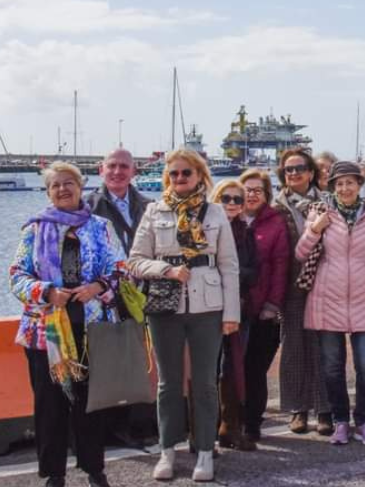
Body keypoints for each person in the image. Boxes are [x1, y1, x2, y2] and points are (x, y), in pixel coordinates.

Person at [129, 149, 240, 482]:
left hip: (208, 305)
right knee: (168, 383)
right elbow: (134, 260)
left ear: (199, 177)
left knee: (205, 383)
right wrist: (166, 269)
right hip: (165, 305)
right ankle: (167, 450)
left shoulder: (216, 212)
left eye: (186, 174)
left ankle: (204, 450)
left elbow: (229, 266)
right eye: (174, 174)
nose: (179, 179)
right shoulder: (154, 211)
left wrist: (231, 313)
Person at [10, 162, 123, 487]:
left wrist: (97, 288)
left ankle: (94, 469)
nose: (63, 189)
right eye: (56, 185)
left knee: (90, 406)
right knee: (49, 407)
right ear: (48, 192)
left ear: (80, 186)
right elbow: (16, 276)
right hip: (45, 332)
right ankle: (53, 474)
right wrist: (46, 291)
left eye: (69, 183)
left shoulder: (100, 227)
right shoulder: (34, 230)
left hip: (90, 329)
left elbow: (120, 268)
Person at [298, 161, 365, 446]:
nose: (345, 188)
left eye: (350, 182)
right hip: (327, 298)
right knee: (332, 366)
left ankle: (362, 419)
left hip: (364, 299)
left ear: (359, 185)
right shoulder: (320, 212)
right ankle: (341, 421)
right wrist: (315, 228)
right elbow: (301, 253)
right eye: (339, 183)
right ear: (333, 187)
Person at [83, 148, 153, 448]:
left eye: (124, 166)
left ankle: (134, 425)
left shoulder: (148, 205)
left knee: (135, 359)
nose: (117, 171)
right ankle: (106, 427)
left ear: (133, 171)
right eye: (111, 165)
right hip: (104, 293)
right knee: (106, 360)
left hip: (139, 290)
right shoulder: (88, 205)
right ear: (101, 170)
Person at [273, 148, 332, 436]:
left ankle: (325, 409)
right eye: (288, 169)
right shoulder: (276, 206)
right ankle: (298, 410)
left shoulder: (329, 203)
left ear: (311, 172)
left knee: (324, 347)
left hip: (325, 283)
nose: (293, 173)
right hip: (290, 285)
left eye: (299, 168)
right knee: (294, 347)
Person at [238, 169, 290, 442]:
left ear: (267, 194)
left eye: (258, 190)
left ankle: (252, 422)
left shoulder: (275, 222)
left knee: (255, 369)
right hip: (233, 310)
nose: (252, 194)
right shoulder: (227, 218)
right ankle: (229, 420)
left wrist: (272, 304)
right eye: (247, 189)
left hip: (262, 309)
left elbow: (282, 265)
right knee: (230, 369)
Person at [209, 180, 255, 451]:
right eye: (226, 198)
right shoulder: (204, 228)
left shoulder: (245, 231)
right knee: (207, 370)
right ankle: (205, 430)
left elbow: (253, 269)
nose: (233, 204)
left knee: (233, 368)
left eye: (238, 199)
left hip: (239, 307)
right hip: (208, 308)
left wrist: (233, 278)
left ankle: (230, 426)